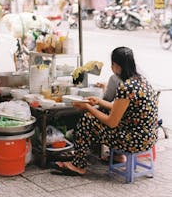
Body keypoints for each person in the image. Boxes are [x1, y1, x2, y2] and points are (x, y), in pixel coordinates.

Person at [51, 46, 158, 176]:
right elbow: (120, 108)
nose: (112, 67)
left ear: (117, 65)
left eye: (112, 64)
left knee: (87, 119)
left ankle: (78, 166)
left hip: (133, 141)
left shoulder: (126, 87)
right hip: (149, 138)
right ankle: (110, 156)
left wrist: (88, 107)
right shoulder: (141, 81)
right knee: (98, 114)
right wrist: (99, 101)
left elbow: (112, 122)